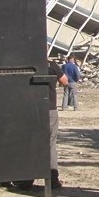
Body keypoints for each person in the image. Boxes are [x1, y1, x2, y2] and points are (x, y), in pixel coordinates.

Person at [13, 59, 68, 190]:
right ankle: (53, 180)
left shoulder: (26, 64)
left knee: (31, 144)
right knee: (50, 144)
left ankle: (27, 180)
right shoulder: (52, 65)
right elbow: (65, 81)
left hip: (31, 109)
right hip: (50, 109)